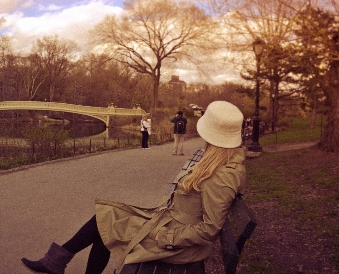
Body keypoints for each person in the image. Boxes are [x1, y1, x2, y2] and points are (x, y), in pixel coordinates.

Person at [21, 101, 246, 274]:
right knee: (104, 217)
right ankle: (56, 261)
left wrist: (167, 238)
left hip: (176, 243)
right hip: (168, 224)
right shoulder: (217, 161)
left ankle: (56, 261)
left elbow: (210, 228)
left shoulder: (223, 175)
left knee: (104, 224)